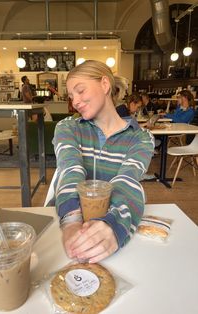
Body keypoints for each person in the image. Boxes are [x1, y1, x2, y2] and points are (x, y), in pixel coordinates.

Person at [51, 60, 154, 263]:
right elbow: (70, 168)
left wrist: (114, 226)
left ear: (105, 85)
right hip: (69, 217)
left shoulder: (141, 138)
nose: (75, 101)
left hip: (113, 221)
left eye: (80, 91)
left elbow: (127, 182)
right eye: (71, 96)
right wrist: (72, 223)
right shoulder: (68, 127)